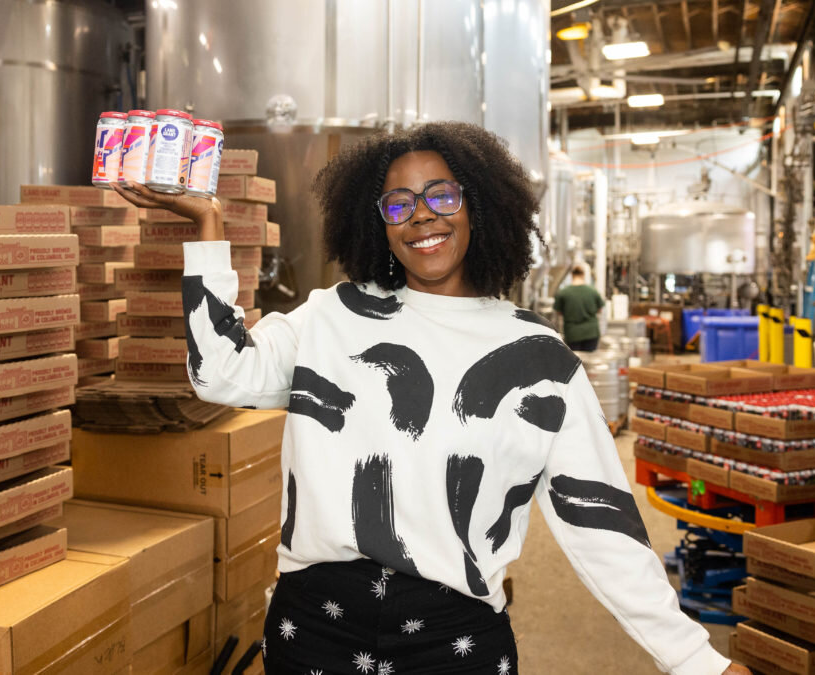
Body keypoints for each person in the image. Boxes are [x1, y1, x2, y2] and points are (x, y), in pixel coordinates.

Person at [113, 121, 747, 675]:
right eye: (399, 204)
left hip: (453, 644)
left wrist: (696, 659)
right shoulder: (331, 317)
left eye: (442, 195)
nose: (422, 216)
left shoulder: (538, 358)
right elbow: (221, 373)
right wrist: (208, 224)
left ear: (479, 207)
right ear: (379, 223)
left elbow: (600, 523)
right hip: (315, 631)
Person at [554, 265, 605, 352]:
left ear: (572, 275)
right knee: (589, 359)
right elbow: (600, 310)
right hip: (591, 332)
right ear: (583, 275)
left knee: (575, 359)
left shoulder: (563, 292)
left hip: (573, 333)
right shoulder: (593, 291)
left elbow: (558, 312)